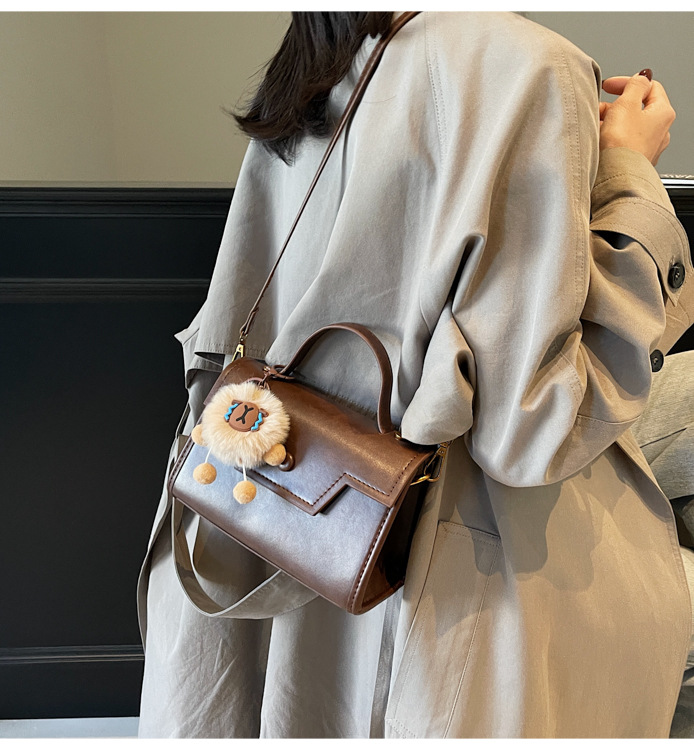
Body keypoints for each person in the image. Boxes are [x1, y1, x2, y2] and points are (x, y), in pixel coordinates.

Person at [135, 11, 694, 738]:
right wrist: (629, 173)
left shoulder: (327, 48)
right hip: (441, 576)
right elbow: (534, 429)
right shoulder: (531, 66)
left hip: (270, 511)